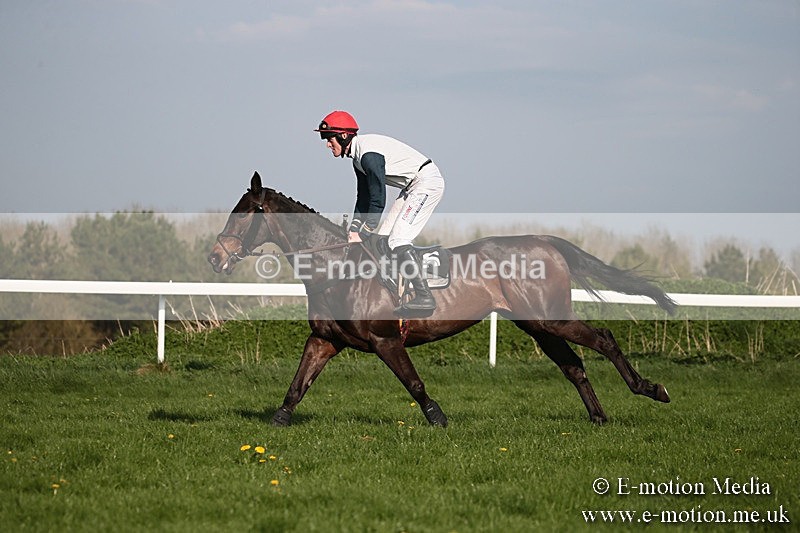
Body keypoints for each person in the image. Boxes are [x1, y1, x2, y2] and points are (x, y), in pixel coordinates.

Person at [314, 110, 444, 314]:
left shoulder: (368, 156)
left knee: (398, 240)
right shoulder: (357, 159)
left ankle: (424, 296)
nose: (327, 145)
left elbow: (378, 199)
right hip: (411, 187)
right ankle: (395, 288)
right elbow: (363, 198)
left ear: (343, 136)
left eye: (329, 139)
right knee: (381, 240)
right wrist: (354, 228)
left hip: (426, 183)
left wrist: (364, 233)